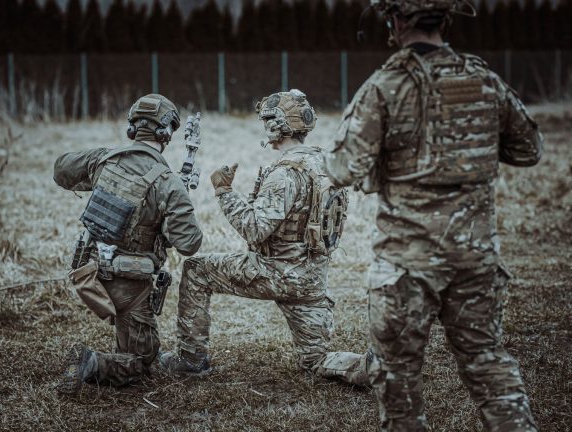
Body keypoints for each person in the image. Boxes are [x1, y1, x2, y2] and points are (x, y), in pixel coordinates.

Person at [324, 0, 543, 430]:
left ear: (397, 20)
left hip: (406, 266)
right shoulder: (484, 80)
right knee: (487, 362)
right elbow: (529, 149)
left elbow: (342, 169)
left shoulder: (385, 85)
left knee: (399, 379)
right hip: (474, 258)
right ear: (446, 18)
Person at [158, 89, 372, 387]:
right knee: (315, 360)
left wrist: (223, 191)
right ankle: (370, 368)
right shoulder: (327, 165)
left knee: (196, 270)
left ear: (276, 126)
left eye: (267, 121)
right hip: (312, 280)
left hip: (275, 272)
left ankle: (191, 360)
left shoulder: (285, 173)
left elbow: (254, 228)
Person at [53, 94, 203, 394]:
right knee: (143, 364)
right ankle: (91, 363)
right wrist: (176, 204)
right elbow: (189, 243)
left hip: (88, 274)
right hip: (128, 285)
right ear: (166, 133)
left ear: (132, 128)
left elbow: (61, 170)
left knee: (142, 342)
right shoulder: (168, 182)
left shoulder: (103, 159)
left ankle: (123, 342)